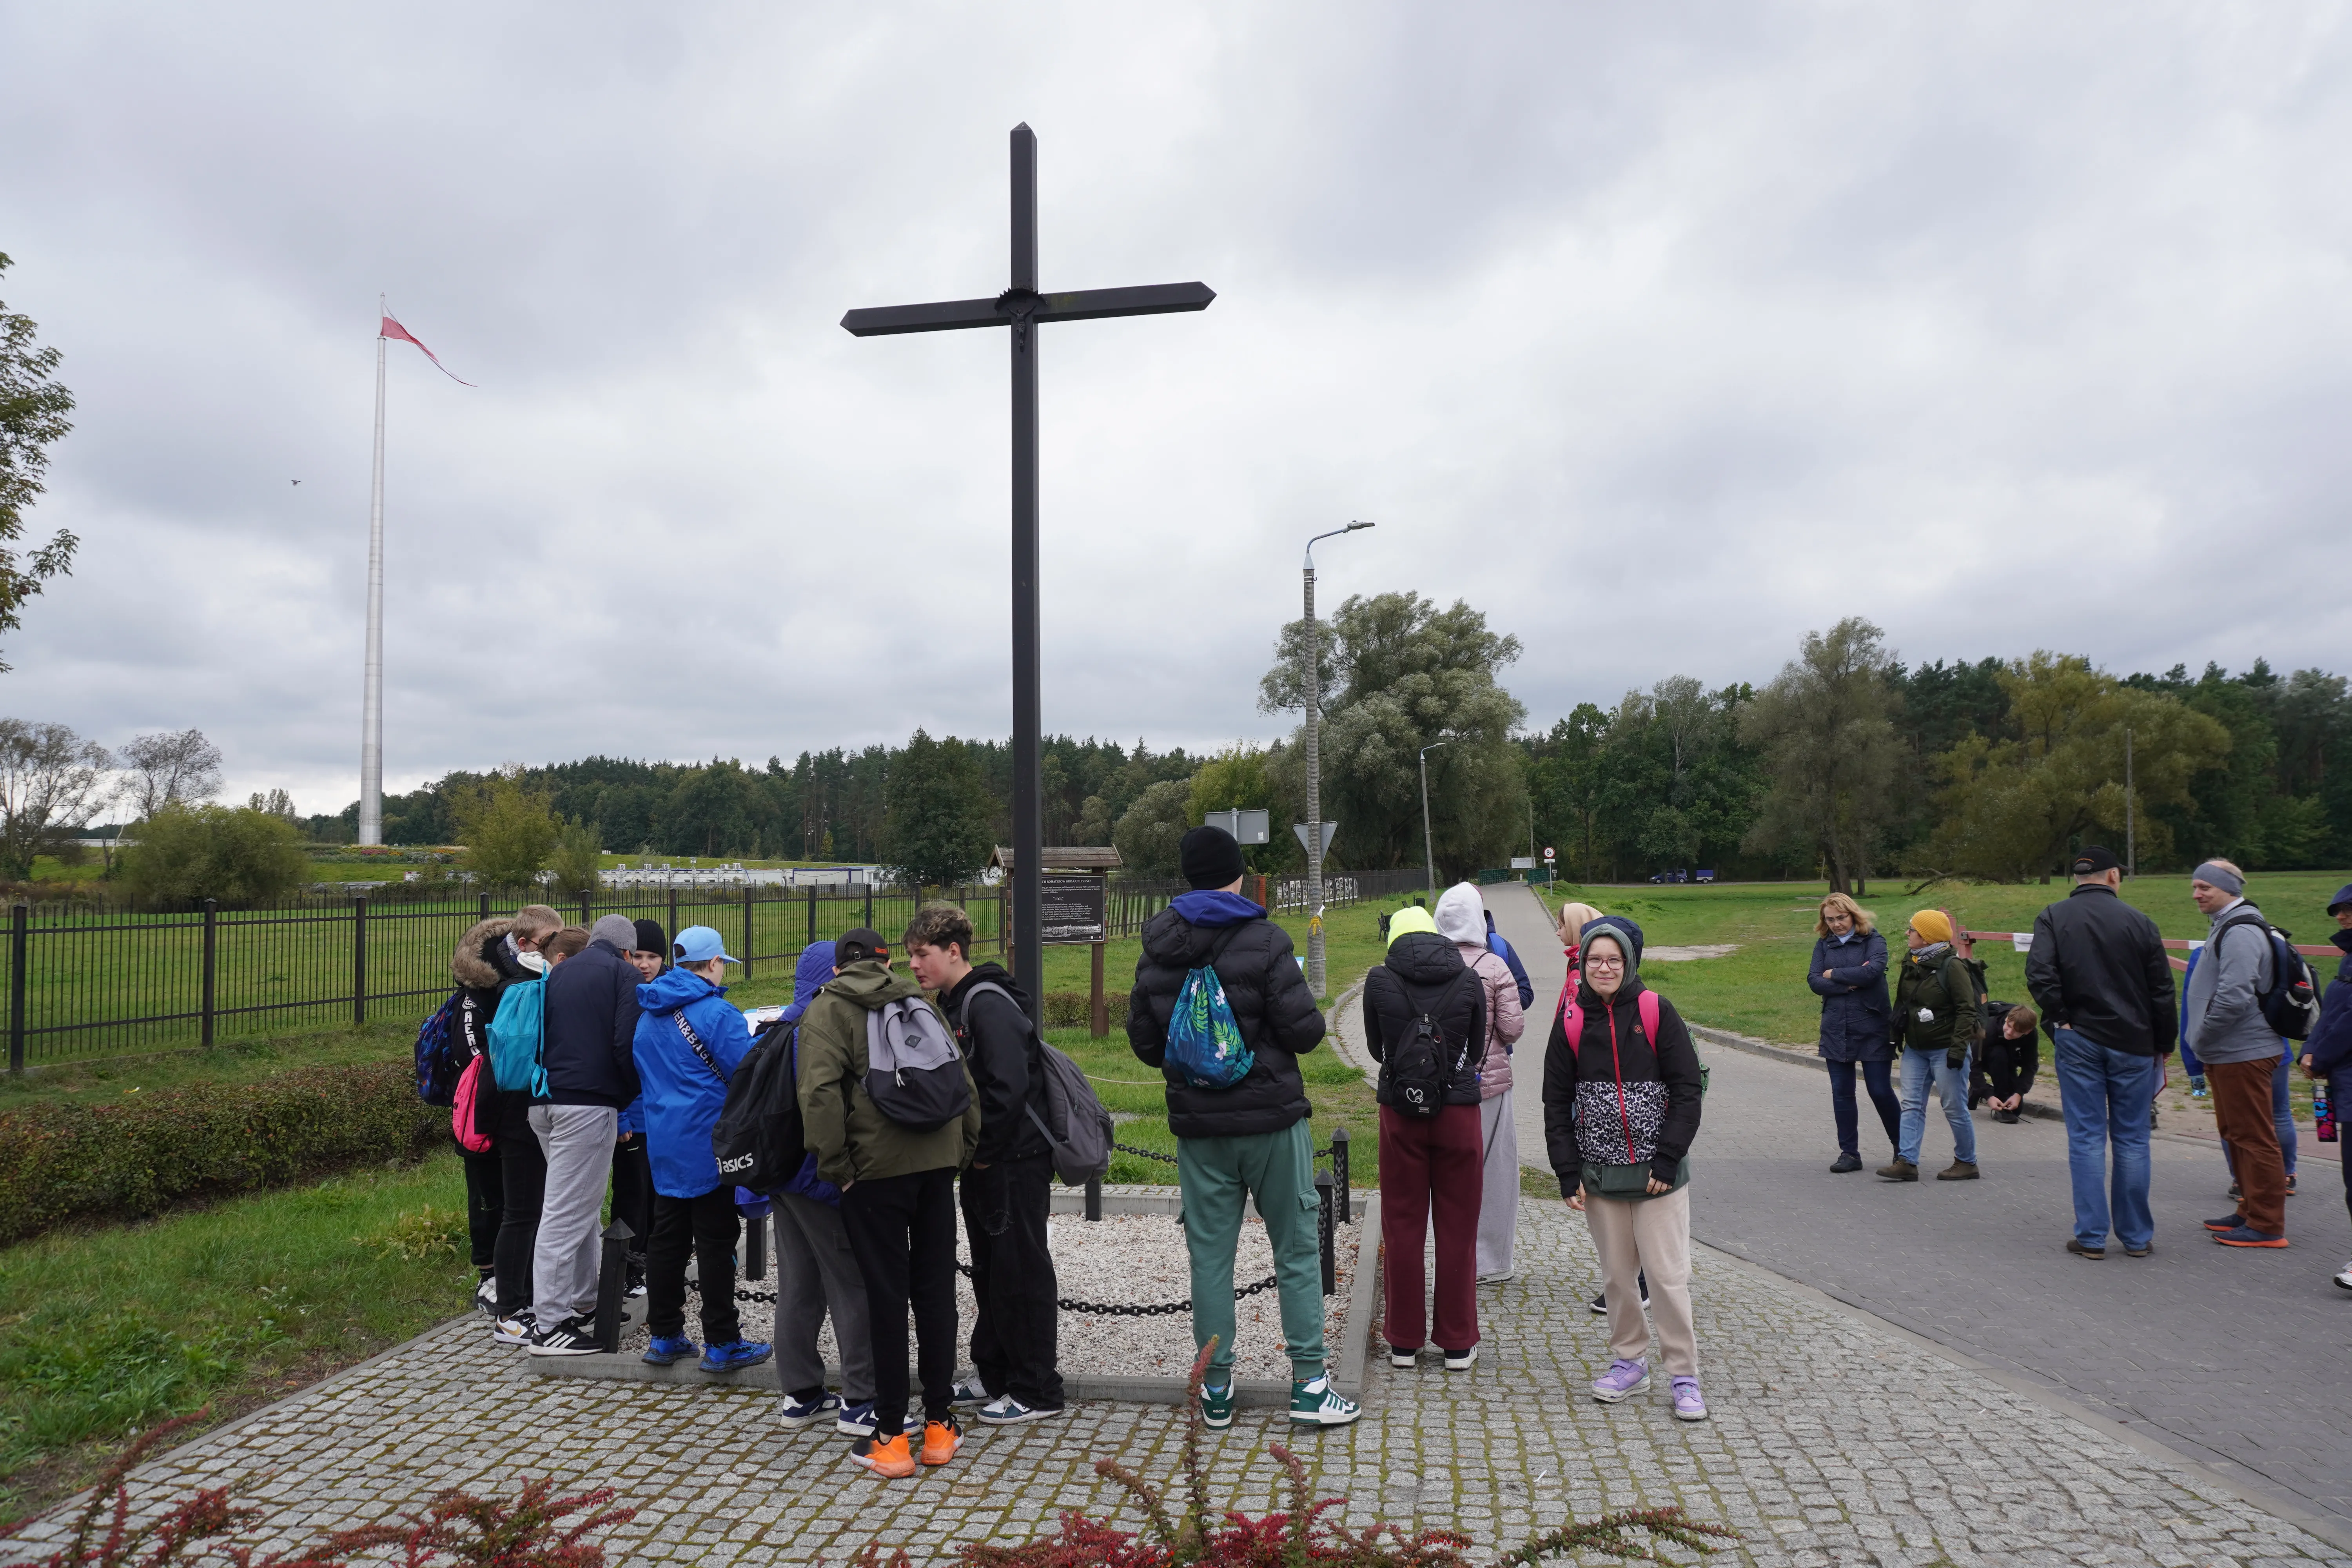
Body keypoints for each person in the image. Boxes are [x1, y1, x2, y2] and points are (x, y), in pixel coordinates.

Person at [1129, 825, 1357, 1431]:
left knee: (1210, 1258)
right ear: (1236, 875)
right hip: (1271, 1121)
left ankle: (1217, 1390)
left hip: (1199, 1128)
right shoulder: (1265, 939)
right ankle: (1310, 1384)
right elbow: (1307, 1033)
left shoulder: (1157, 948)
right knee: (1296, 1249)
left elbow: (1146, 1046)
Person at [799, 927, 981, 1480]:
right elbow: (963, 1082)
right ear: (885, 962)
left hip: (874, 1174)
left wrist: (839, 1170)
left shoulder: (829, 1011)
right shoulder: (917, 1001)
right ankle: (940, 1425)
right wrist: (962, 1151)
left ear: (838, 968)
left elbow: (818, 1095)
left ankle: (889, 1435)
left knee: (885, 1298)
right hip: (936, 1164)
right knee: (934, 1292)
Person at [1542, 916, 1708, 1421]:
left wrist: (1667, 1156)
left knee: (1666, 1277)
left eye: (1613, 959)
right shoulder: (1571, 1018)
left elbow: (1687, 1088)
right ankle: (1630, 1361)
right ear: (1582, 963)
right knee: (1617, 1276)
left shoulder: (1657, 1010)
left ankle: (1684, 1374)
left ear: (1629, 962)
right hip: (1601, 1175)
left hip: (1659, 1175)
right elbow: (1556, 1099)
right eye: (1595, 959)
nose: (1604, 967)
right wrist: (1566, 1171)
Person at [904, 902, 1064, 1426]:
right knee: (991, 1272)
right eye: (909, 956)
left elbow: (1008, 1088)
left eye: (921, 954)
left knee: (1020, 1271)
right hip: (988, 1160)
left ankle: (1037, 1388)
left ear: (954, 952)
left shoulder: (985, 1003)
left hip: (1013, 1160)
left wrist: (983, 1154)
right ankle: (996, 1374)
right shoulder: (955, 1002)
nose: (913, 965)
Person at [628, 924, 773, 1370]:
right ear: (713, 964)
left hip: (665, 1144)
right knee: (715, 1242)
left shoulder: (648, 1012)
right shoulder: (717, 1013)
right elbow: (743, 1072)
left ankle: (666, 1334)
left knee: (666, 1241)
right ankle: (723, 1341)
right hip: (710, 1146)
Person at [2025, 845, 2176, 1260]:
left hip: (2080, 1036)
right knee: (2132, 1138)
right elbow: (2162, 989)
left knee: (2087, 1137)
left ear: (2079, 877)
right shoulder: (2141, 922)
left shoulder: (2053, 916)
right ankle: (2136, 1235)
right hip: (2134, 1041)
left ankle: (2091, 1236)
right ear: (2113, 876)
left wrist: (2060, 1015)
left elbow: (2040, 972)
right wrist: (2164, 1042)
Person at [1365, 897, 1489, 1370]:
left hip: (1401, 1113)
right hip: (1459, 1113)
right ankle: (1457, 1344)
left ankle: (1403, 1341)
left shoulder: (1379, 979)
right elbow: (1476, 1049)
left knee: (1402, 1224)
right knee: (1458, 1228)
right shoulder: (1469, 977)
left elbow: (1378, 1049)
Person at [765, 940, 878, 1437]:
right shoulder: (821, 1026)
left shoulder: (778, 1027)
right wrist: (842, 1171)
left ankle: (802, 1392)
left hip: (781, 1175)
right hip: (820, 1175)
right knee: (852, 1283)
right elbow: (825, 1105)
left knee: (798, 1284)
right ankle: (860, 1399)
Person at [524, 913, 645, 1355]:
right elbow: (624, 1044)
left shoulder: (560, 969)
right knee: (565, 1213)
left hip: (543, 1100)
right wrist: (624, 1095)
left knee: (582, 1207)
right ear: (628, 951)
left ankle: (585, 1302)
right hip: (587, 1104)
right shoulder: (624, 975)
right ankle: (550, 1324)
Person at [450, 903, 561, 1324]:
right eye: (551, 942)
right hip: (488, 1096)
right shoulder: (482, 982)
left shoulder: (536, 973)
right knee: (488, 1190)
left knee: (520, 1198)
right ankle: (489, 1276)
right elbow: (473, 1048)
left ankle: (518, 1279)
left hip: (519, 1100)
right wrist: (502, 1078)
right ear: (528, 943)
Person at [2185, 860, 2290, 1249]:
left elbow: (2234, 996)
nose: (2197, 894)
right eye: (2195, 887)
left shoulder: (2242, 929)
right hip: (2228, 1051)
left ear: (2227, 888)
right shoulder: (2229, 925)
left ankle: (2267, 1224)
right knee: (2237, 1134)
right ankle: (2249, 1209)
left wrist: (2203, 1035)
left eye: (2204, 887)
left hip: (2242, 1050)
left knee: (2255, 1136)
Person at [1553, 900, 1646, 1316]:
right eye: (1597, 959)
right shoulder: (1577, 967)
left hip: (1602, 1109)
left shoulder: (1583, 977)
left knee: (1622, 1204)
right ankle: (1627, 1281)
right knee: (1608, 1204)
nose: (1602, 967)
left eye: (1562, 925)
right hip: (1590, 1104)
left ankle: (1634, 1283)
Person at [1439, 887, 1527, 1284]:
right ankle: (1491, 1263)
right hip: (1488, 1085)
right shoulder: (1495, 965)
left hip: (1440, 1087)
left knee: (1447, 1173)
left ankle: (1450, 1257)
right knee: (1496, 1172)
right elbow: (1512, 1027)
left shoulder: (1428, 963)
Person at [1882, 910, 1980, 1183]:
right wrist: (1894, 1037)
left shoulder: (1953, 967)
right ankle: (1907, 1162)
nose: (1907, 934)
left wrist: (1958, 1050)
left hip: (1945, 1049)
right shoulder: (1911, 963)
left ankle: (1967, 1162)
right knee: (1911, 1104)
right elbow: (1902, 1004)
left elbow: (1966, 1010)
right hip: (1916, 1048)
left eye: (1912, 930)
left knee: (1954, 1107)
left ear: (1926, 938)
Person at [1807, 893, 1895, 1173]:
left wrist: (1833, 974)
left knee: (1880, 1091)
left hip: (1872, 1025)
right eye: (1830, 919)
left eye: (1841, 918)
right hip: (1836, 1027)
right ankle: (1850, 1153)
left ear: (1853, 915)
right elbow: (1814, 981)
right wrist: (1847, 982)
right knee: (1842, 1093)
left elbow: (1873, 974)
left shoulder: (1874, 941)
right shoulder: (1823, 945)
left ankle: (1903, 1149)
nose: (1836, 924)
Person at [608, 917, 669, 1296]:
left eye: (653, 956)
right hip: (633, 1117)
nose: (644, 964)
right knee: (631, 1195)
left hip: (664, 1118)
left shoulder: (667, 996)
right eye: (638, 956)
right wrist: (621, 1114)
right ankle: (625, 1270)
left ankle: (649, 1261)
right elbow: (614, 1060)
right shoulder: (623, 996)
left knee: (658, 1197)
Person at [2298, 885, 2352, 1287]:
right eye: (2339, 910)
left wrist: (2322, 1056)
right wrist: (2312, 1049)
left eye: (2349, 909)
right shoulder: (2348, 960)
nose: (2341, 916)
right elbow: (2332, 1012)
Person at [1975, 1001, 2041, 1123]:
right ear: (2007, 1019)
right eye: (2009, 1026)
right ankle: (1979, 1091)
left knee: (2016, 1110)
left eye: (2016, 1031)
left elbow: (2031, 1065)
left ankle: (1977, 1092)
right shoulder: (1989, 1028)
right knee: (1998, 1054)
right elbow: (1972, 1064)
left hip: (2010, 1059)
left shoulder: (2031, 1036)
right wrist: (1988, 1095)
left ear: (2027, 1032)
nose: (2010, 1032)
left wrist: (2019, 1094)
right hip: (1985, 1058)